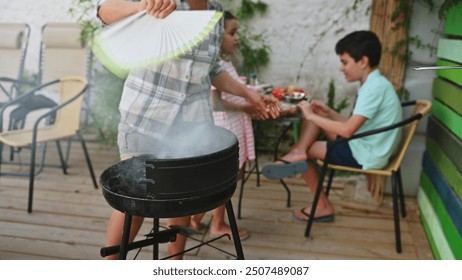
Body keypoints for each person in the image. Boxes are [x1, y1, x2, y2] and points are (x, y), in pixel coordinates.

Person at [96, 0, 281, 260]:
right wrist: (142, 7)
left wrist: (251, 95)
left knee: (183, 195)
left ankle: (175, 263)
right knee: (135, 203)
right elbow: (103, 10)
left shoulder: (215, 10)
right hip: (144, 118)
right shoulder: (162, 2)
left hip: (192, 124)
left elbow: (213, 68)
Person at [262, 30, 402, 222]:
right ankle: (297, 152)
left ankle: (322, 204)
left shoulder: (373, 89)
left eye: (345, 62)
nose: (341, 68)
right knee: (317, 114)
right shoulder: (374, 83)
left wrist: (310, 115)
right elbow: (353, 124)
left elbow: (347, 130)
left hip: (367, 153)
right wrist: (328, 112)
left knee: (310, 147)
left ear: (363, 61)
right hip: (367, 143)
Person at [190, 11, 253, 240]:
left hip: (232, 125)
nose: (237, 38)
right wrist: (245, 107)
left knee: (220, 178)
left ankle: (196, 219)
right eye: (232, 33)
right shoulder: (217, 66)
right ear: (217, 36)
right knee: (224, 179)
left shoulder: (224, 61)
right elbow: (215, 102)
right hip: (225, 128)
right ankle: (217, 224)